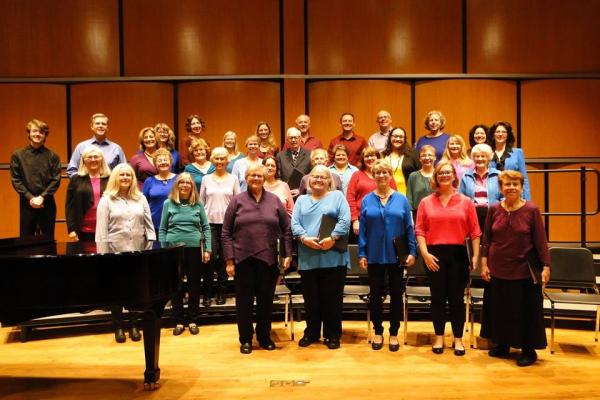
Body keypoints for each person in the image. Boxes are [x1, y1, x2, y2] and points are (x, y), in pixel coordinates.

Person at [480, 170, 551, 367]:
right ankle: (502, 344)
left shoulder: (532, 210)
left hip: (524, 270)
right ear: (501, 188)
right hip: (498, 268)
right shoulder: (494, 209)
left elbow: (541, 240)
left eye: (515, 184)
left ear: (521, 187)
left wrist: (546, 266)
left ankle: (528, 350)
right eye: (507, 184)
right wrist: (484, 263)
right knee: (501, 309)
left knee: (524, 311)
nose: (511, 187)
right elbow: (486, 238)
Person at [222, 164, 293, 354]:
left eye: (259, 175)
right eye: (252, 175)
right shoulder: (237, 201)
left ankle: (264, 336)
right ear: (246, 178)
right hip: (242, 259)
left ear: (265, 178)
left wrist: (287, 254)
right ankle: (245, 339)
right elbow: (226, 232)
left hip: (268, 260)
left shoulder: (275, 201)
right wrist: (229, 260)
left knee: (265, 302)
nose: (256, 178)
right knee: (244, 303)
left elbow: (286, 229)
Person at [415, 160, 481, 356]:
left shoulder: (466, 201)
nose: (444, 176)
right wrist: (425, 253)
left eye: (447, 172)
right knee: (437, 298)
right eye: (440, 173)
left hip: (458, 255)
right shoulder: (426, 202)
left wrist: (476, 255)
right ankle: (439, 337)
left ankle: (458, 339)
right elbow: (419, 230)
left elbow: (475, 232)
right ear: (436, 177)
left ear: (454, 176)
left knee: (456, 299)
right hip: (433, 255)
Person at [358, 160, 417, 352]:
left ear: (390, 175)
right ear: (373, 176)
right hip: (374, 255)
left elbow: (409, 227)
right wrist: (362, 253)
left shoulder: (401, 199)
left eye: (385, 172)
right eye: (378, 173)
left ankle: (393, 333)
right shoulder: (367, 199)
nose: (381, 176)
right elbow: (363, 230)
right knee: (375, 295)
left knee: (396, 296)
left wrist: (412, 251)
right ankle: (377, 331)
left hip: (396, 256)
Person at [291, 165, 351, 349]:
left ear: (329, 181)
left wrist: (332, 238)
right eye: (315, 176)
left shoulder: (337, 196)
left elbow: (345, 219)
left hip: (333, 256)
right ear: (309, 180)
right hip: (308, 256)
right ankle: (312, 333)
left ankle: (333, 335)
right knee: (311, 300)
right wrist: (304, 238)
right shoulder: (301, 200)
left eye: (323, 177)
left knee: (332, 300)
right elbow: (294, 223)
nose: (319, 180)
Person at [95, 163, 156, 343]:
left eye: (128, 175)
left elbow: (149, 225)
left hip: (137, 250)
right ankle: (119, 325)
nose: (125, 178)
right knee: (117, 290)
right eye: (121, 175)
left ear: (133, 179)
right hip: (115, 251)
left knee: (134, 289)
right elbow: (101, 230)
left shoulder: (140, 198)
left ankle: (134, 323)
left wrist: (149, 246)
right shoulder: (106, 200)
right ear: (115, 177)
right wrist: (103, 255)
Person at [159, 172, 212, 337]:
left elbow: (206, 227)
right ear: (177, 185)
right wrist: (164, 249)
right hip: (173, 250)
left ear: (192, 186)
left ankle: (193, 319)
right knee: (176, 286)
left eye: (188, 183)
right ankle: (179, 320)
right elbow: (162, 229)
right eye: (181, 182)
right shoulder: (168, 203)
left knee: (194, 285)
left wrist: (208, 249)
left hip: (194, 248)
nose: (185, 185)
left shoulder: (198, 204)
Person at [200, 147, 242, 306]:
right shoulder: (206, 179)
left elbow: (238, 203)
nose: (219, 161)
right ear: (212, 160)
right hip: (209, 224)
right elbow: (201, 202)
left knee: (225, 259)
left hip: (228, 225)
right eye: (216, 158)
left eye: (222, 159)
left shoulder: (233, 179)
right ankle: (207, 294)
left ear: (227, 161)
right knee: (210, 259)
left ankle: (221, 293)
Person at [10, 119, 61, 238]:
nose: (38, 134)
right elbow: (16, 179)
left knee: (48, 241)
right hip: (27, 204)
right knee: (25, 242)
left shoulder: (53, 156)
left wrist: (42, 197)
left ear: (45, 135)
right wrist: (31, 198)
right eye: (34, 131)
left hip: (47, 203)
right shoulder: (18, 155)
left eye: (41, 132)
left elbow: (56, 180)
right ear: (29, 133)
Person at [347, 147, 397, 239]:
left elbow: (394, 197)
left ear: (378, 158)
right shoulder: (356, 175)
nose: (370, 158)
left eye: (372, 155)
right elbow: (350, 198)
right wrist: (354, 220)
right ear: (363, 159)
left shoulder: (387, 175)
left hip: (385, 220)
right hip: (361, 221)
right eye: (367, 156)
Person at [65, 146, 111, 242]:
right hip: (83, 230)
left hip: (108, 229)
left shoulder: (110, 179)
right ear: (83, 160)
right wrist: (71, 229)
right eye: (89, 157)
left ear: (102, 159)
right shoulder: (75, 179)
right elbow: (70, 206)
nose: (93, 159)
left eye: (96, 157)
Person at [459, 143, 502, 229]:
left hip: (494, 214)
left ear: (489, 158)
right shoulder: (466, 176)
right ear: (473, 158)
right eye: (477, 156)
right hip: (472, 214)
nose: (480, 159)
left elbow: (503, 197)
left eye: (483, 156)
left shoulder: (498, 175)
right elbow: (461, 198)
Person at [488, 121, 531, 200]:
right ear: (493, 135)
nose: (500, 134)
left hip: (513, 194)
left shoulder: (518, 153)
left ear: (507, 135)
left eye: (504, 132)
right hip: (492, 197)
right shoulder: (487, 152)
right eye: (498, 132)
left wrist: (527, 200)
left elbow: (524, 178)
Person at [142, 148, 178, 232]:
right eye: (159, 160)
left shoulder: (179, 179)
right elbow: (144, 204)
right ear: (155, 164)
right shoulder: (149, 181)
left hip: (176, 225)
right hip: (154, 225)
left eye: (165, 160)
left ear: (171, 162)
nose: (163, 162)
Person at [382, 127, 420, 195]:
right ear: (390, 137)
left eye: (401, 137)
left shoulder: (413, 154)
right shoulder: (383, 155)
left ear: (405, 139)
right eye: (395, 136)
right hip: (386, 195)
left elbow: (420, 174)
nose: (398, 139)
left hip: (407, 195)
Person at [276, 127, 312, 197]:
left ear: (300, 138)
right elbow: (278, 176)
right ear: (287, 140)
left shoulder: (310, 154)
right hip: (285, 193)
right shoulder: (280, 156)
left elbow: (312, 174)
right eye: (291, 138)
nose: (293, 140)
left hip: (304, 194)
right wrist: (285, 189)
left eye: (296, 137)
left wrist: (301, 189)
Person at [406, 145, 436, 218]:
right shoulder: (413, 176)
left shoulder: (439, 175)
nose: (427, 158)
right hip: (418, 215)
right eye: (423, 155)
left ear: (435, 157)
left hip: (437, 213)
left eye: (430, 155)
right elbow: (409, 199)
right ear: (419, 159)